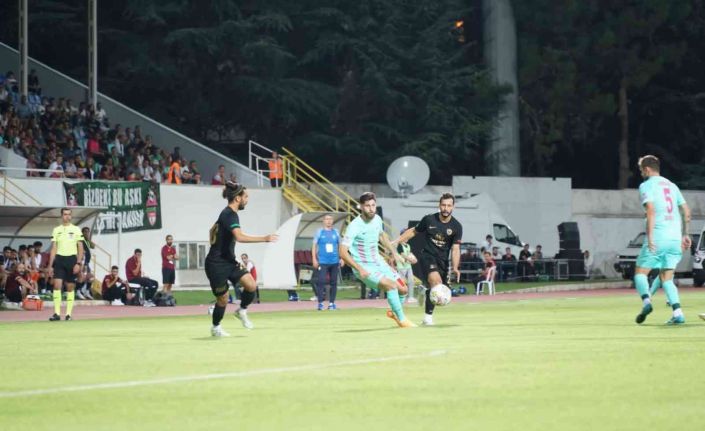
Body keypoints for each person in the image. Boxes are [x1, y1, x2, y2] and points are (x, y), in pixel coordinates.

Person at [205, 181, 278, 337]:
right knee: (223, 299)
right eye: (245, 197)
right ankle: (216, 327)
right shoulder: (229, 215)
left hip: (229, 261)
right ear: (237, 198)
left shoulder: (228, 214)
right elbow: (239, 237)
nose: (247, 200)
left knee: (251, 285)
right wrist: (264, 238)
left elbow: (212, 231)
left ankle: (241, 310)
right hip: (216, 264)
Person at [339, 192, 414, 328]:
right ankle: (402, 320)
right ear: (361, 207)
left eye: (373, 205)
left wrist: (394, 253)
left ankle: (394, 312)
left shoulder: (378, 219)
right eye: (367, 206)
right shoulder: (354, 226)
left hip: (379, 263)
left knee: (403, 289)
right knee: (391, 285)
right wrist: (359, 269)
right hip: (364, 267)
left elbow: (382, 236)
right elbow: (343, 252)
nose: (371, 209)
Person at [634, 155, 691, 325]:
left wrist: (650, 237)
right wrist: (686, 234)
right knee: (667, 278)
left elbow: (651, 210)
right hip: (675, 239)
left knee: (640, 273)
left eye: (641, 170)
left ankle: (646, 301)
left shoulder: (646, 185)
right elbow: (686, 211)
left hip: (658, 235)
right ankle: (678, 313)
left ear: (647, 169)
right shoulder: (672, 186)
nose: (641, 173)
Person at [394, 193, 463, 326]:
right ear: (439, 205)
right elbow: (413, 231)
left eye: (449, 205)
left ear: (453, 207)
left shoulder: (457, 226)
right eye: (443, 205)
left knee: (444, 294)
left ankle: (424, 291)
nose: (446, 208)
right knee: (436, 284)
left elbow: (455, 249)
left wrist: (455, 267)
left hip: (443, 261)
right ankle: (428, 318)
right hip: (427, 256)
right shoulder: (429, 219)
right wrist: (397, 241)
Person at [48, 208, 84, 321]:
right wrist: (50, 266)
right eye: (65, 214)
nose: (67, 216)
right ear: (61, 216)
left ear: (71, 216)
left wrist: (78, 263)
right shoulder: (56, 230)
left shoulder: (76, 229)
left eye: (69, 214)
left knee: (70, 287)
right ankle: (57, 313)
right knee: (57, 285)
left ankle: (68, 314)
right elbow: (54, 248)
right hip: (59, 259)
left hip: (71, 259)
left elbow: (81, 247)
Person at [312, 214, 343, 310]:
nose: (329, 221)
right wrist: (314, 259)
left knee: (334, 282)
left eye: (330, 219)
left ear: (333, 221)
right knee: (321, 281)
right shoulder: (319, 232)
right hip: (323, 261)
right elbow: (314, 246)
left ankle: (331, 303)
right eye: (327, 219)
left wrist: (342, 258)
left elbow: (340, 246)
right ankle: (320, 303)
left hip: (334, 261)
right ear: (323, 221)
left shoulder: (336, 232)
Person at [396, 228, 418, 304]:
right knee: (401, 282)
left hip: (408, 266)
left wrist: (414, 259)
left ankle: (410, 297)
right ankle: (399, 296)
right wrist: (410, 259)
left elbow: (410, 253)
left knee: (411, 281)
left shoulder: (408, 245)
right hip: (401, 267)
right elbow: (402, 254)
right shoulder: (399, 245)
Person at [76, 226, 95, 300]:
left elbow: (93, 246)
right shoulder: (80, 240)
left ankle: (87, 292)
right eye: (85, 232)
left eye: (88, 232)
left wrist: (88, 239)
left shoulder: (87, 241)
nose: (87, 233)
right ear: (82, 233)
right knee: (82, 277)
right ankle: (78, 291)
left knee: (91, 277)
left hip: (87, 263)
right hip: (82, 262)